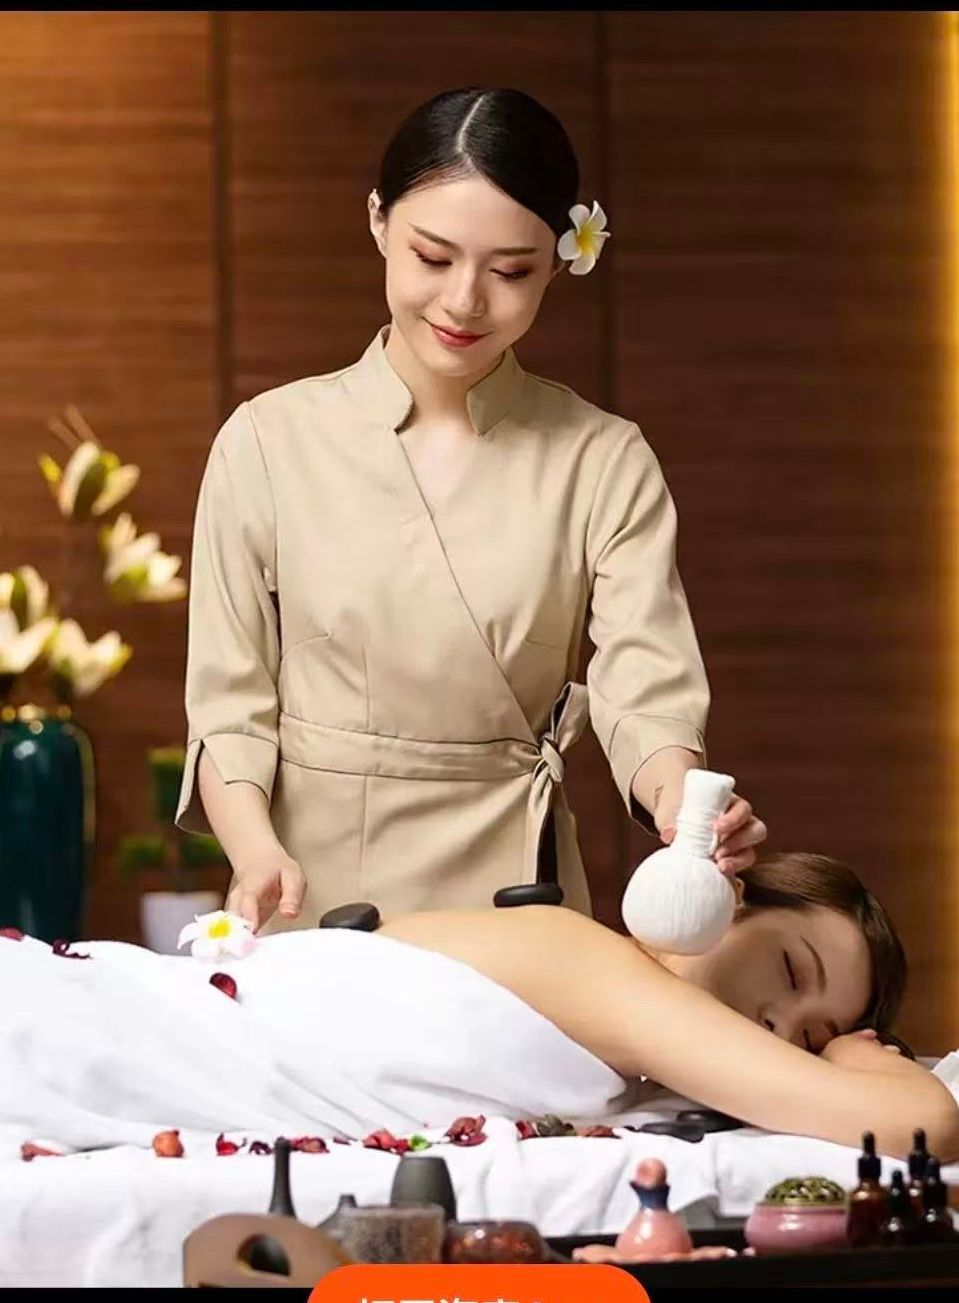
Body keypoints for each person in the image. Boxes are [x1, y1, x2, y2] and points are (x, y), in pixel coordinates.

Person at [174, 86, 768, 934]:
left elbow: (644, 682)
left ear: (562, 261)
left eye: (511, 271)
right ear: (378, 222)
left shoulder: (601, 458)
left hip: (516, 901)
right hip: (315, 893)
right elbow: (229, 703)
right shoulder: (266, 441)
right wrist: (254, 849)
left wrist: (685, 808)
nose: (463, 301)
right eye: (432, 256)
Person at [377, 851, 959, 1161]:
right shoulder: (589, 965)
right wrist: (854, 1053)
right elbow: (924, 1124)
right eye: (790, 970)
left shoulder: (629, 1059)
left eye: (808, 1039)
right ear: (733, 898)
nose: (780, 1023)